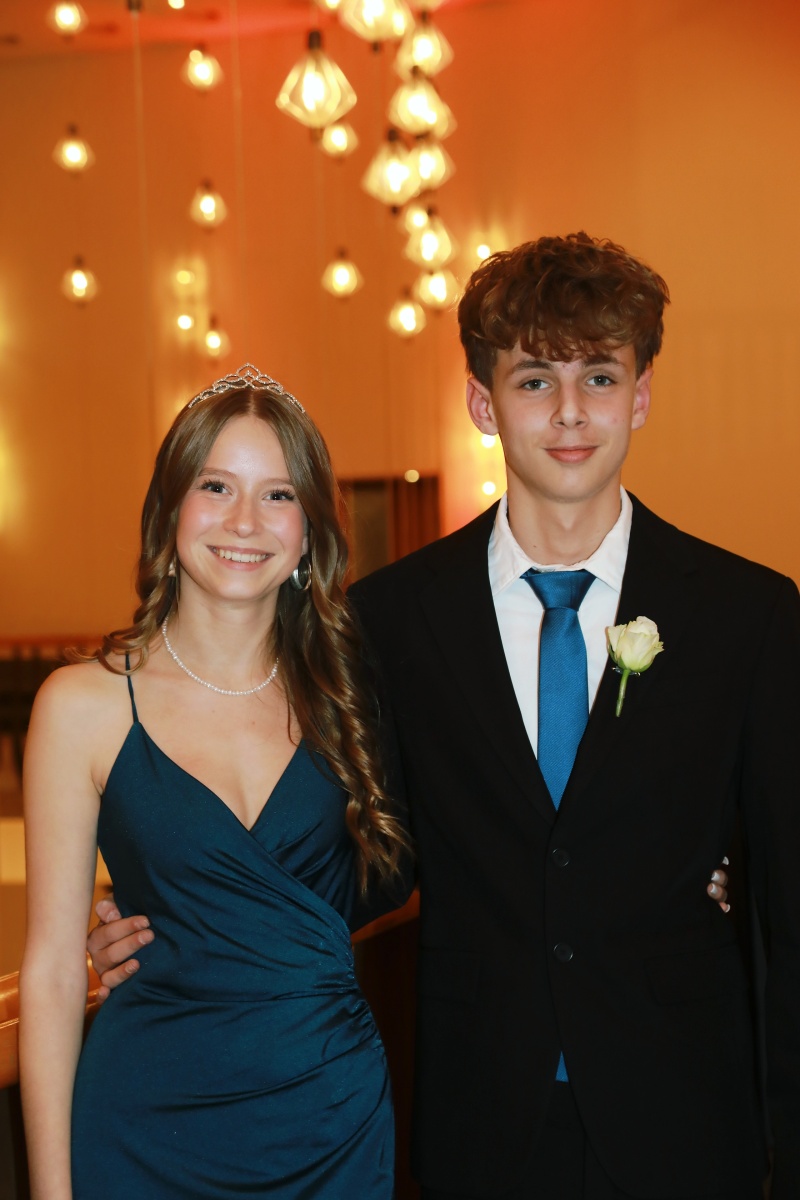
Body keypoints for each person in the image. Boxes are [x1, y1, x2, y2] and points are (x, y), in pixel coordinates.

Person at [87, 234, 775, 1200]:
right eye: (534, 381)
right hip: (481, 1117)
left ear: (641, 394)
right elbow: (365, 858)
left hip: (686, 1113)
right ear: (482, 403)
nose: (570, 412)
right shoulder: (389, 619)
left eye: (599, 377)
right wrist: (171, 914)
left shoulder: (749, 615)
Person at [20, 365, 411, 1200]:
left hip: (329, 1122)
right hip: (145, 1126)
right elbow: (52, 975)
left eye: (278, 495)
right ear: (169, 510)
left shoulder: (354, 696)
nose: (244, 521)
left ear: (308, 531)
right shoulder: (82, 706)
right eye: (216, 486)